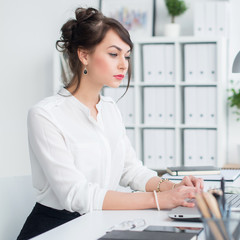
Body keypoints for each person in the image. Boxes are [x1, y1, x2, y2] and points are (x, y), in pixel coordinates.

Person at [17, 7, 203, 240]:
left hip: (100, 222)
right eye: (114, 54)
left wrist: (171, 188)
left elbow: (130, 169)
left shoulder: (109, 110)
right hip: (56, 229)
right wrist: (158, 200)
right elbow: (77, 195)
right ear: (84, 55)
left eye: (126, 56)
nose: (124, 65)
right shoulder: (45, 115)